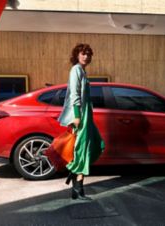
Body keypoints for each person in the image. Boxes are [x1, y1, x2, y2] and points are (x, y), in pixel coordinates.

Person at [57, 43, 105, 201]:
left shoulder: (83, 72)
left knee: (96, 145)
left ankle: (74, 176)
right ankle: (78, 188)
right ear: (77, 55)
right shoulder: (76, 70)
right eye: (83, 54)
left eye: (88, 54)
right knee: (82, 151)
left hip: (87, 115)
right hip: (81, 116)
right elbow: (74, 95)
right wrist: (77, 116)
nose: (86, 56)